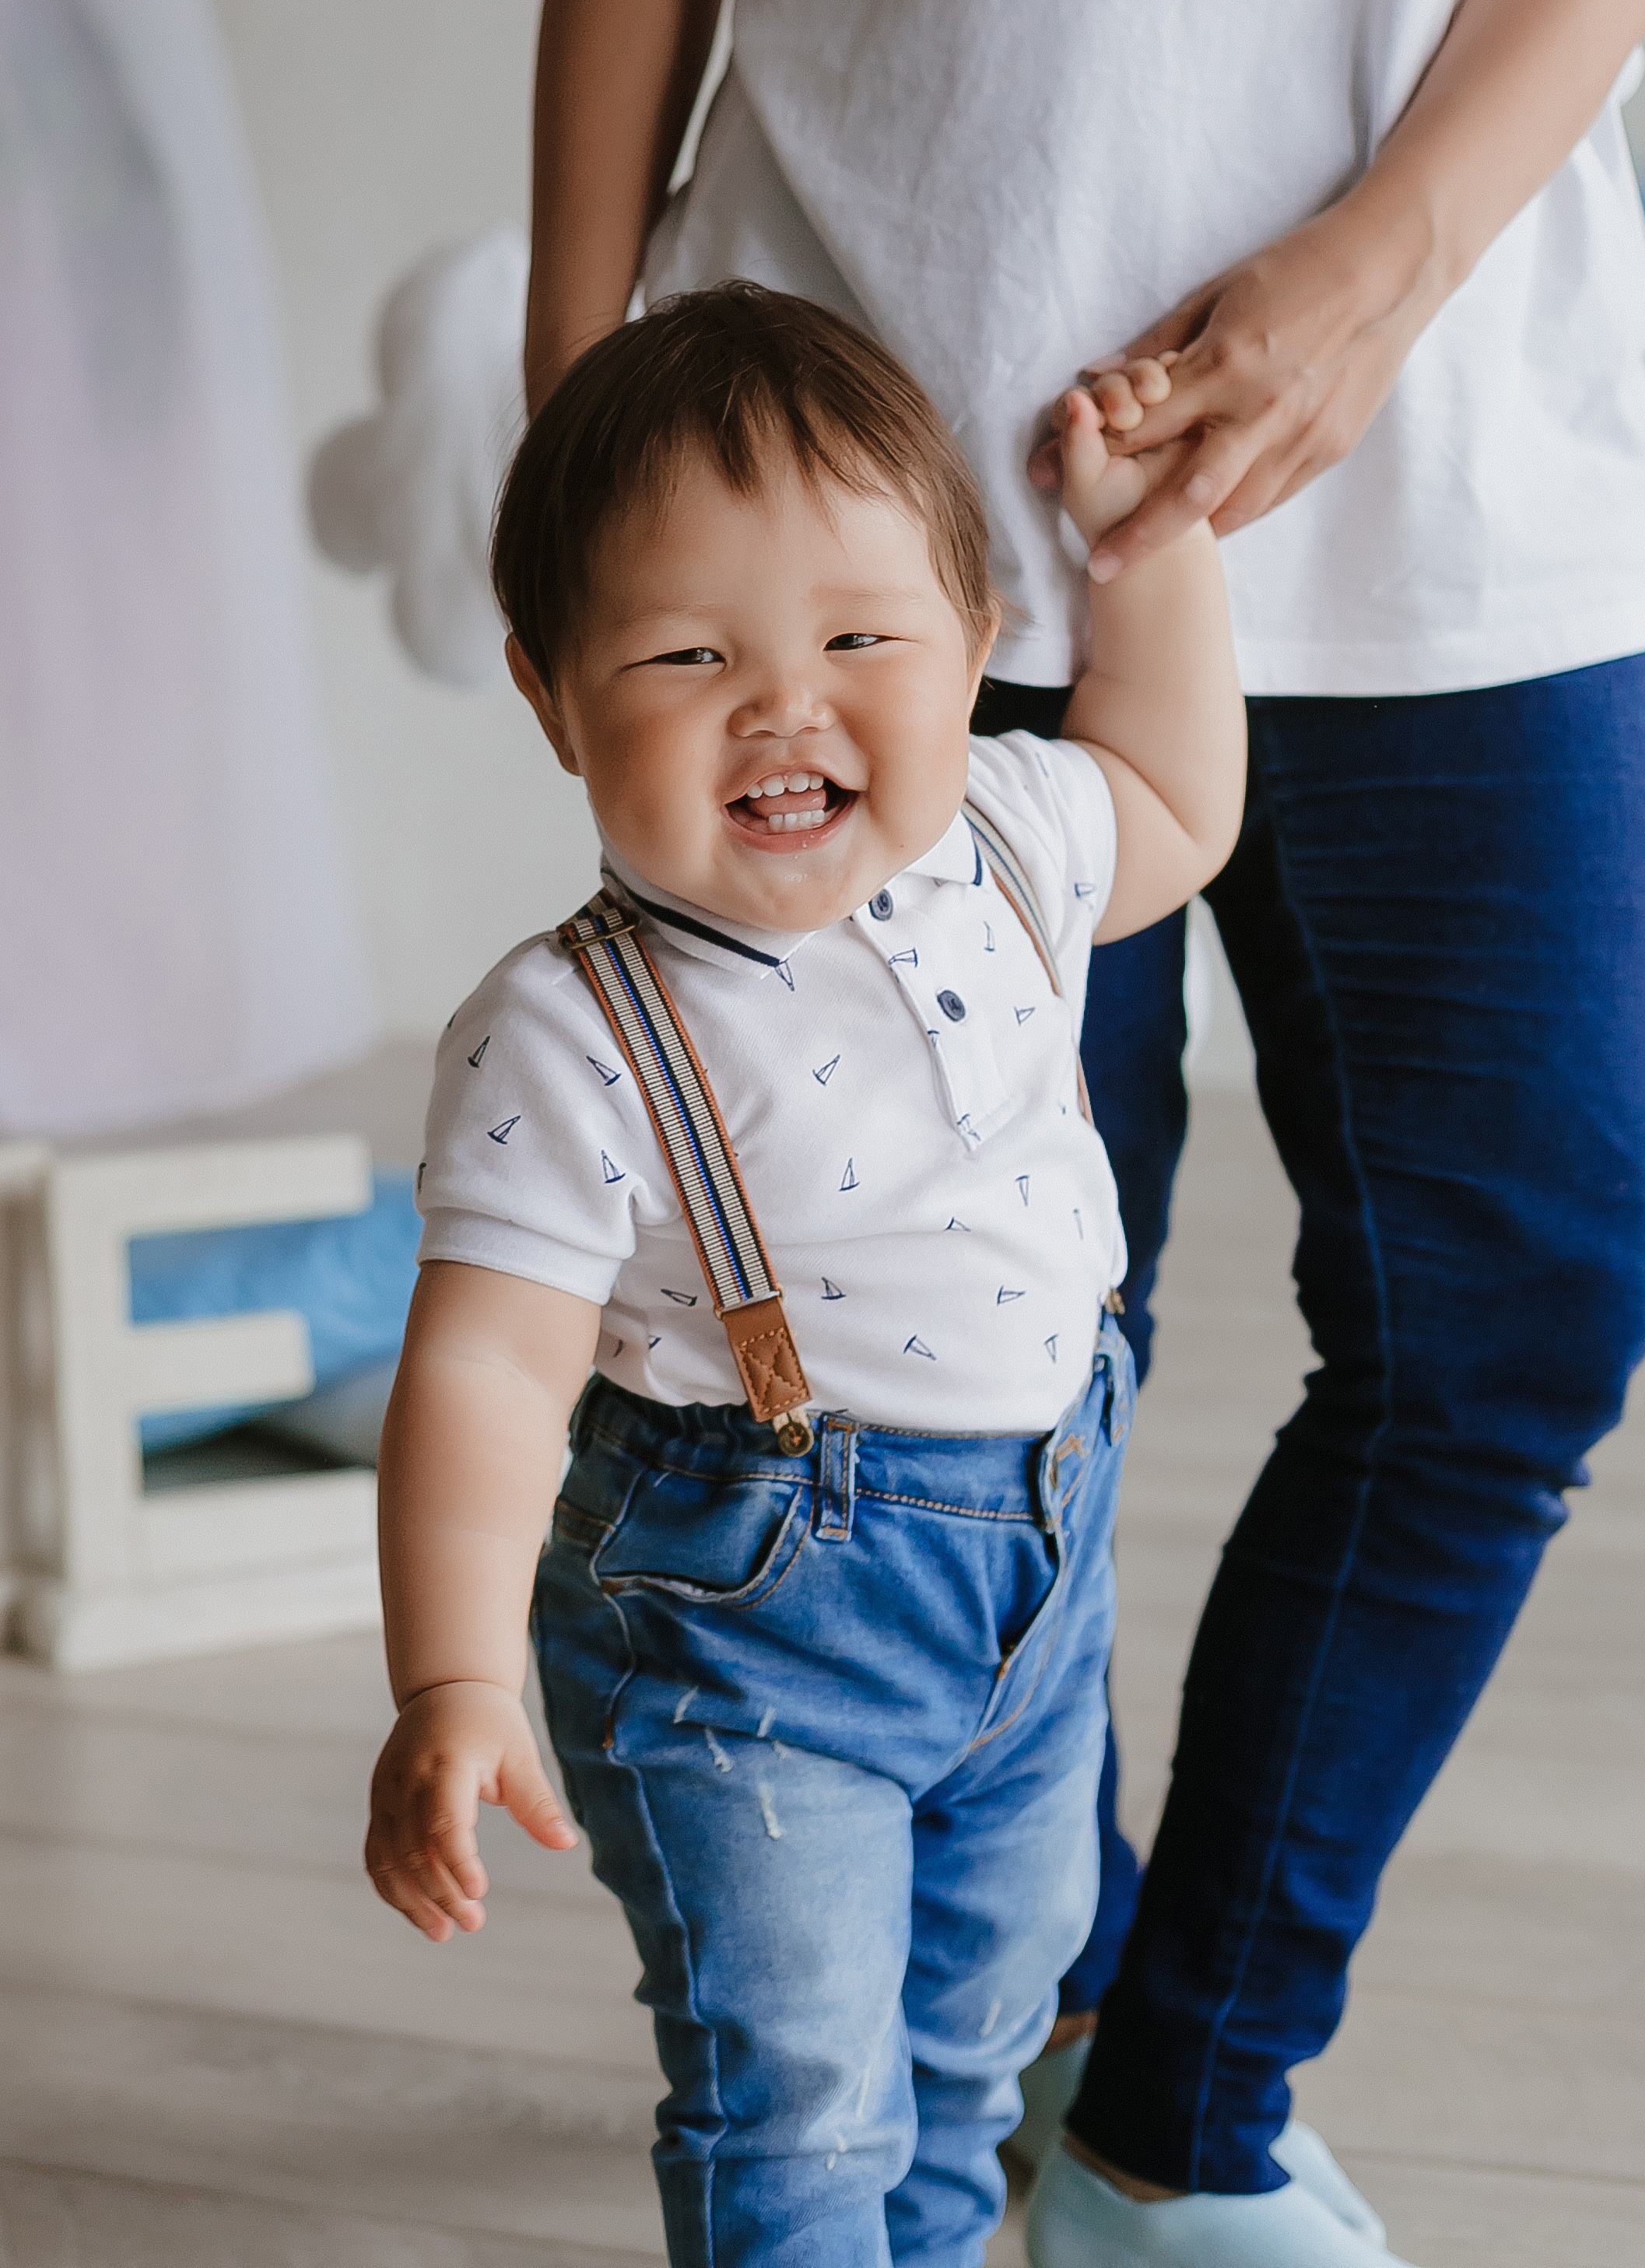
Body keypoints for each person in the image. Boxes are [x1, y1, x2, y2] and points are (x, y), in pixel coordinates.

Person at [441, 0, 1645, 2257]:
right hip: (867, 490)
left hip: (1461, 466)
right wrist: (580, 445)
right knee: (965, 1350)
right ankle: (1008, 2043)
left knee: (1506, 1323)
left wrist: (1383, 263)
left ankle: (1173, 2110)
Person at [364, 283, 1247, 2266]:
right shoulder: (567, 1031)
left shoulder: (1006, 835)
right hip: (747, 1636)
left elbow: (1181, 798)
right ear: (551, 694)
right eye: (689, 654)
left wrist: (1157, 544)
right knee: (801, 2097)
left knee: (974, 2035)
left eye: (859, 639)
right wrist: (451, 1674)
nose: (784, 705)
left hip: (1038, 1576)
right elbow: (487, 1373)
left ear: (975, 645)